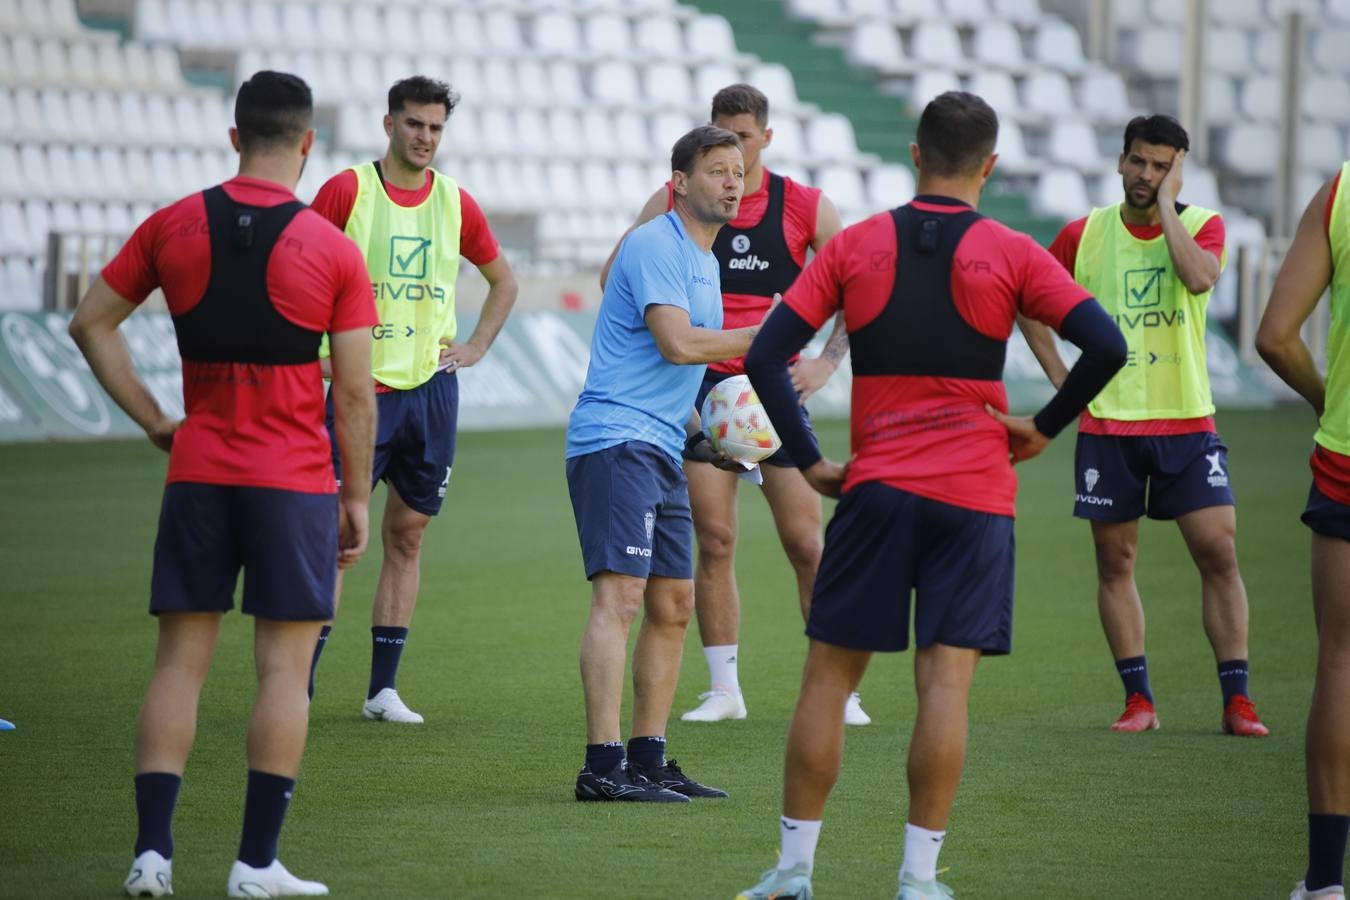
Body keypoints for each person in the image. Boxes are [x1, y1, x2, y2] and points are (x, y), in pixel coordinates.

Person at [734, 91, 1127, 900]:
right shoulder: (1013, 251)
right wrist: (1046, 426)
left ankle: (793, 874)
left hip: (876, 489)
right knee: (943, 688)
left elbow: (768, 356)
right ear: (989, 165)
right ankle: (917, 881)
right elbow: (1107, 345)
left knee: (827, 683)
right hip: (977, 495)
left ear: (915, 154)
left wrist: (808, 462)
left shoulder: (858, 245)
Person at [67, 71, 378, 898]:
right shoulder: (332, 249)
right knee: (283, 671)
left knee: (178, 666)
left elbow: (88, 323)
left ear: (234, 137)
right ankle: (254, 866)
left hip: (198, 472)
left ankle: (152, 857)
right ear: (307, 145)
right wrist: (355, 497)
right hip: (294, 483)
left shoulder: (173, 225)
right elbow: (353, 391)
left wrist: (153, 419)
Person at [602, 84, 868, 726]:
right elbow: (616, 273)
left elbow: (859, 286)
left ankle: (841, 690)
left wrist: (826, 361)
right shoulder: (672, 203)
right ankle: (725, 689)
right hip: (698, 392)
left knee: (806, 540)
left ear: (766, 139)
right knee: (715, 540)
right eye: (720, 140)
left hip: (772, 389)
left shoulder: (804, 206)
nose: (733, 156)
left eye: (743, 140)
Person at [1024, 114, 1269, 736]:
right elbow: (1028, 304)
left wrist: (1166, 207)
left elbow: (1197, 278)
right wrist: (1062, 378)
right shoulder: (1085, 234)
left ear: (1177, 170)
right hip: (1110, 426)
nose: (1146, 174)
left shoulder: (1202, 226)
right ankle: (1139, 700)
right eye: (1138, 161)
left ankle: (1237, 701)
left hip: (1187, 420)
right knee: (1116, 563)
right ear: (1120, 160)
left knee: (1218, 551)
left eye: (1161, 166)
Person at [308, 75, 519, 724]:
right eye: (414, 124)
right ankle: (299, 683)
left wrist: (477, 346)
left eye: (435, 127)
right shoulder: (348, 191)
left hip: (430, 392)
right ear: (388, 124)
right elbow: (296, 267)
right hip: (357, 390)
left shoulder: (456, 202)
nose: (425, 137)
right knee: (335, 538)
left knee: (408, 535)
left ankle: (382, 691)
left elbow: (502, 281)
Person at [568, 125, 761, 803]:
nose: (732, 182)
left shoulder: (707, 263)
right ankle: (602, 766)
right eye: (716, 170)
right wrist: (766, 336)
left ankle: (648, 760)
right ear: (678, 181)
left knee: (674, 604)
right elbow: (677, 345)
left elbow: (670, 379)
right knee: (620, 597)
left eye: (738, 171)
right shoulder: (656, 243)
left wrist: (711, 441)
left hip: (661, 442)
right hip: (616, 440)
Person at [1256, 168, 1350, 900]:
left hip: (1347, 458)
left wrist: (1330, 403)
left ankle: (1323, 885)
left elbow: (1275, 336)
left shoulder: (1342, 192)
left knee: (1339, 667)